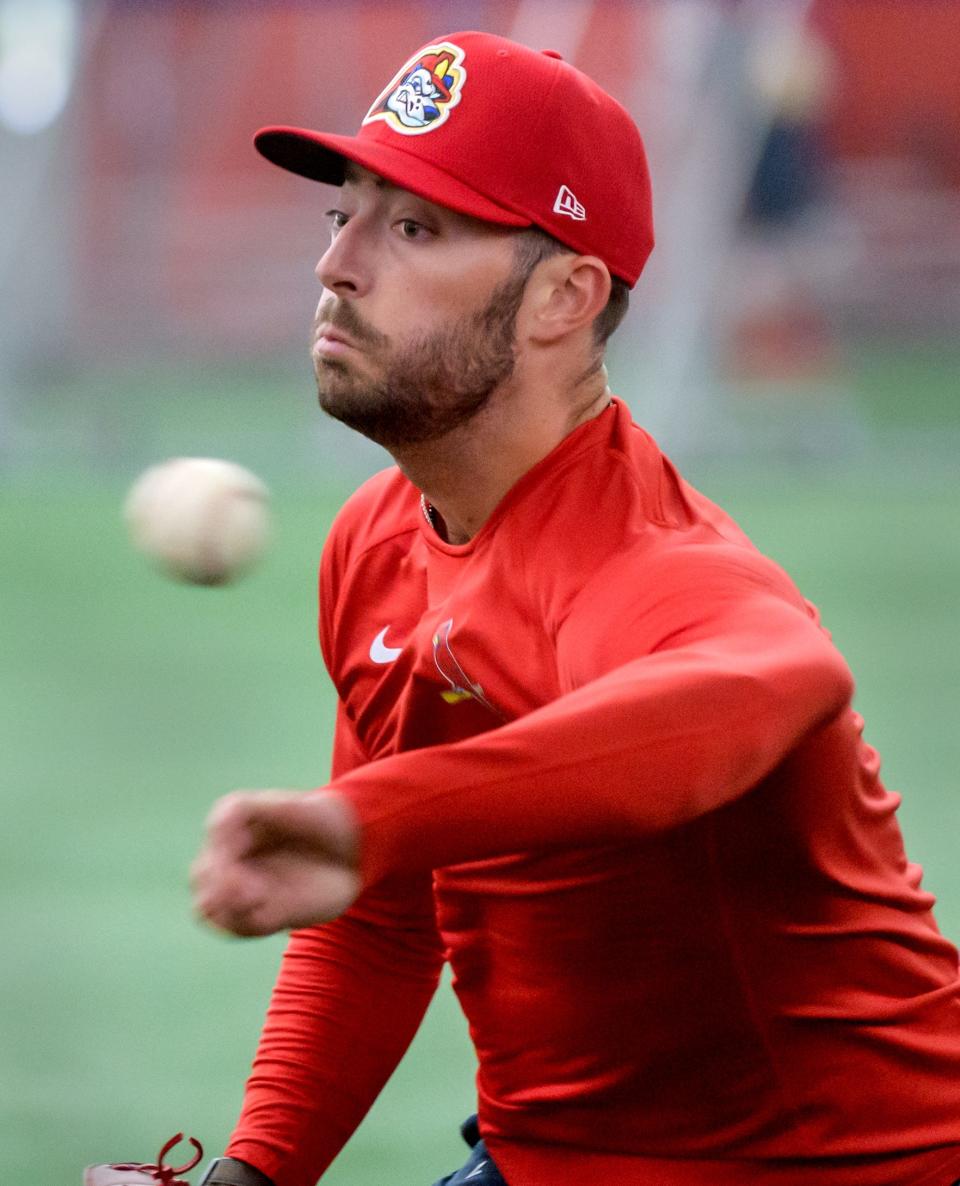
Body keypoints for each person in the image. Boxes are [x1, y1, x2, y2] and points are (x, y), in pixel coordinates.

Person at [185, 30, 960, 1186]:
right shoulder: (377, 541)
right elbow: (381, 916)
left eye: (411, 227)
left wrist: (379, 815)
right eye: (340, 215)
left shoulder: (643, 562)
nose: (337, 265)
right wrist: (249, 1176)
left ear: (564, 297)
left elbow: (782, 677)